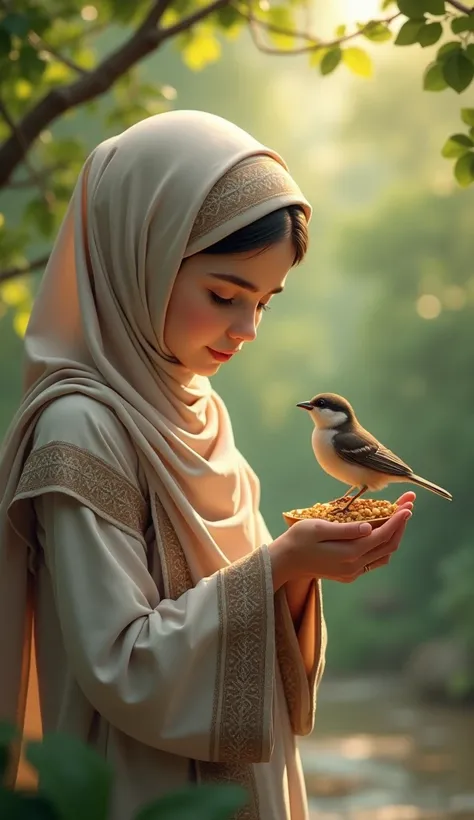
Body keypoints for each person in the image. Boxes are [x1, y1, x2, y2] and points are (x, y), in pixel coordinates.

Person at [0, 110, 413, 820]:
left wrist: (301, 572)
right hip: (140, 784)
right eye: (224, 295)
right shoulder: (80, 428)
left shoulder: (203, 413)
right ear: (142, 257)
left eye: (264, 302)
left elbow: (240, 595)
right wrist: (280, 565)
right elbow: (121, 664)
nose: (247, 328)